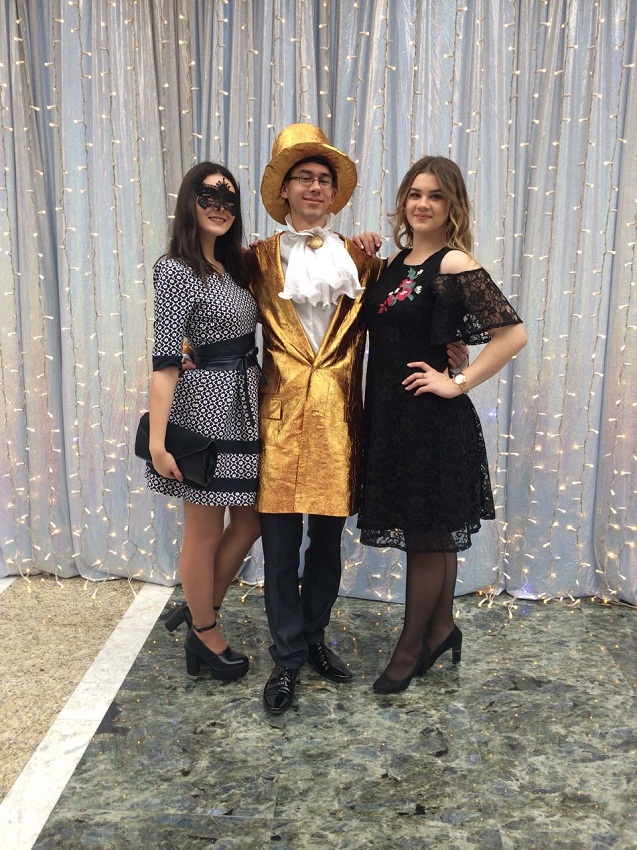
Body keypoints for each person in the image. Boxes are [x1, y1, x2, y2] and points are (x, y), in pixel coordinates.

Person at [357, 155, 527, 694]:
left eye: (435, 195)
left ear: (452, 205)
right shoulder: (393, 262)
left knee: (426, 538)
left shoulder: (453, 262)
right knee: (433, 538)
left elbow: (512, 335)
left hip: (431, 421)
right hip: (392, 417)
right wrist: (360, 251)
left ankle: (410, 650)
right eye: (415, 194)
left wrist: (458, 381)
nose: (422, 204)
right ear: (403, 201)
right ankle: (441, 630)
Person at [145, 162, 261, 682]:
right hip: (203, 409)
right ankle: (207, 633)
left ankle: (197, 613)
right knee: (205, 530)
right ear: (189, 202)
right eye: (209, 196)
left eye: (229, 200)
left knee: (252, 521)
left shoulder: (233, 267)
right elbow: (166, 360)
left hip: (243, 404)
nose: (219, 207)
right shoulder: (176, 269)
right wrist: (157, 443)